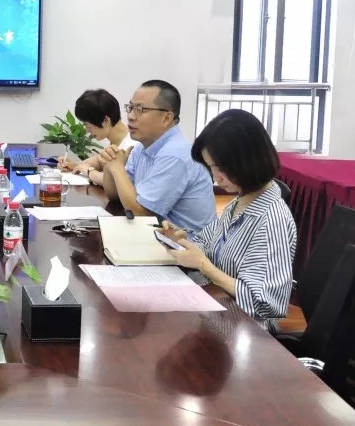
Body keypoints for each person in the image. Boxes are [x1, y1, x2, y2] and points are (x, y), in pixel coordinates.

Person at [161, 109, 297, 330]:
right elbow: (207, 243)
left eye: (221, 168)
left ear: (248, 160)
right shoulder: (241, 201)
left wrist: (204, 265)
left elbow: (265, 303)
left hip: (246, 332)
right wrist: (180, 239)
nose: (217, 178)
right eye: (212, 168)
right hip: (219, 313)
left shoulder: (271, 220)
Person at [99, 80, 215, 232]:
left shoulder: (175, 155)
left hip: (186, 243)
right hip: (158, 235)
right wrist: (109, 164)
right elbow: (115, 195)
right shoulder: (142, 147)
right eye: (130, 108)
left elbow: (142, 215)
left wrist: (117, 168)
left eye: (140, 109)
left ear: (166, 118)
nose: (131, 116)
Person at [58, 89, 139, 187]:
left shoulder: (132, 147)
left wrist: (89, 171)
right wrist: (76, 165)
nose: (87, 131)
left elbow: (116, 182)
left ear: (105, 120)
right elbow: (100, 160)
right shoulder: (115, 140)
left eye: (87, 125)